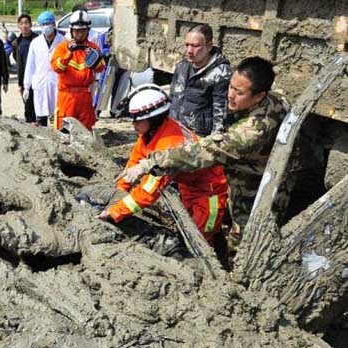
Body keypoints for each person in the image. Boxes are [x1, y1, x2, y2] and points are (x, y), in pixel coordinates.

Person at [119, 57, 289, 244]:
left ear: (259, 96)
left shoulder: (252, 131)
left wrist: (150, 163)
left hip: (256, 185)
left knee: (245, 240)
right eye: (231, 86)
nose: (230, 95)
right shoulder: (275, 99)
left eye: (238, 92)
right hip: (233, 179)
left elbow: (207, 151)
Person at [97, 84, 228, 244]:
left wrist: (115, 211)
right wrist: (121, 190)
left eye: (138, 121)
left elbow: (148, 192)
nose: (134, 125)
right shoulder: (153, 132)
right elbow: (136, 159)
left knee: (201, 237)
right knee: (188, 227)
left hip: (209, 192)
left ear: (153, 118)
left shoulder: (168, 144)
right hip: (189, 184)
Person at [169, 24, 231, 137]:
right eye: (186, 45)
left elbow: (220, 112)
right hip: (174, 129)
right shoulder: (182, 66)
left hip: (198, 136)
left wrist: (214, 141)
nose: (189, 50)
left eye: (195, 46)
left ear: (209, 46)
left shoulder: (221, 73)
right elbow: (172, 97)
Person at [51, 10, 105, 130]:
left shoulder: (93, 48)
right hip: (67, 96)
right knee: (64, 132)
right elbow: (56, 68)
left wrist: (93, 59)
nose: (79, 34)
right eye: (77, 31)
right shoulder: (62, 47)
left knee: (85, 132)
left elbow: (101, 68)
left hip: (85, 96)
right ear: (71, 30)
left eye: (83, 31)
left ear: (88, 30)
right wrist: (68, 54)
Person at [24, 11, 65, 127]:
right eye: (43, 24)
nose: (46, 27)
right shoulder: (35, 43)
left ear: (54, 24)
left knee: (57, 116)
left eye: (48, 23)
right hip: (40, 84)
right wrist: (26, 86)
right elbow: (30, 66)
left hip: (57, 83)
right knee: (41, 116)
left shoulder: (63, 41)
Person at [12, 14, 38, 124]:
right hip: (24, 79)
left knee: (38, 106)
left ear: (31, 24)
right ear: (18, 26)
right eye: (21, 23)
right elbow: (16, 59)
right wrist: (20, 84)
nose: (24, 26)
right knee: (28, 107)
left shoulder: (37, 40)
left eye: (26, 23)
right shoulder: (16, 43)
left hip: (37, 78)